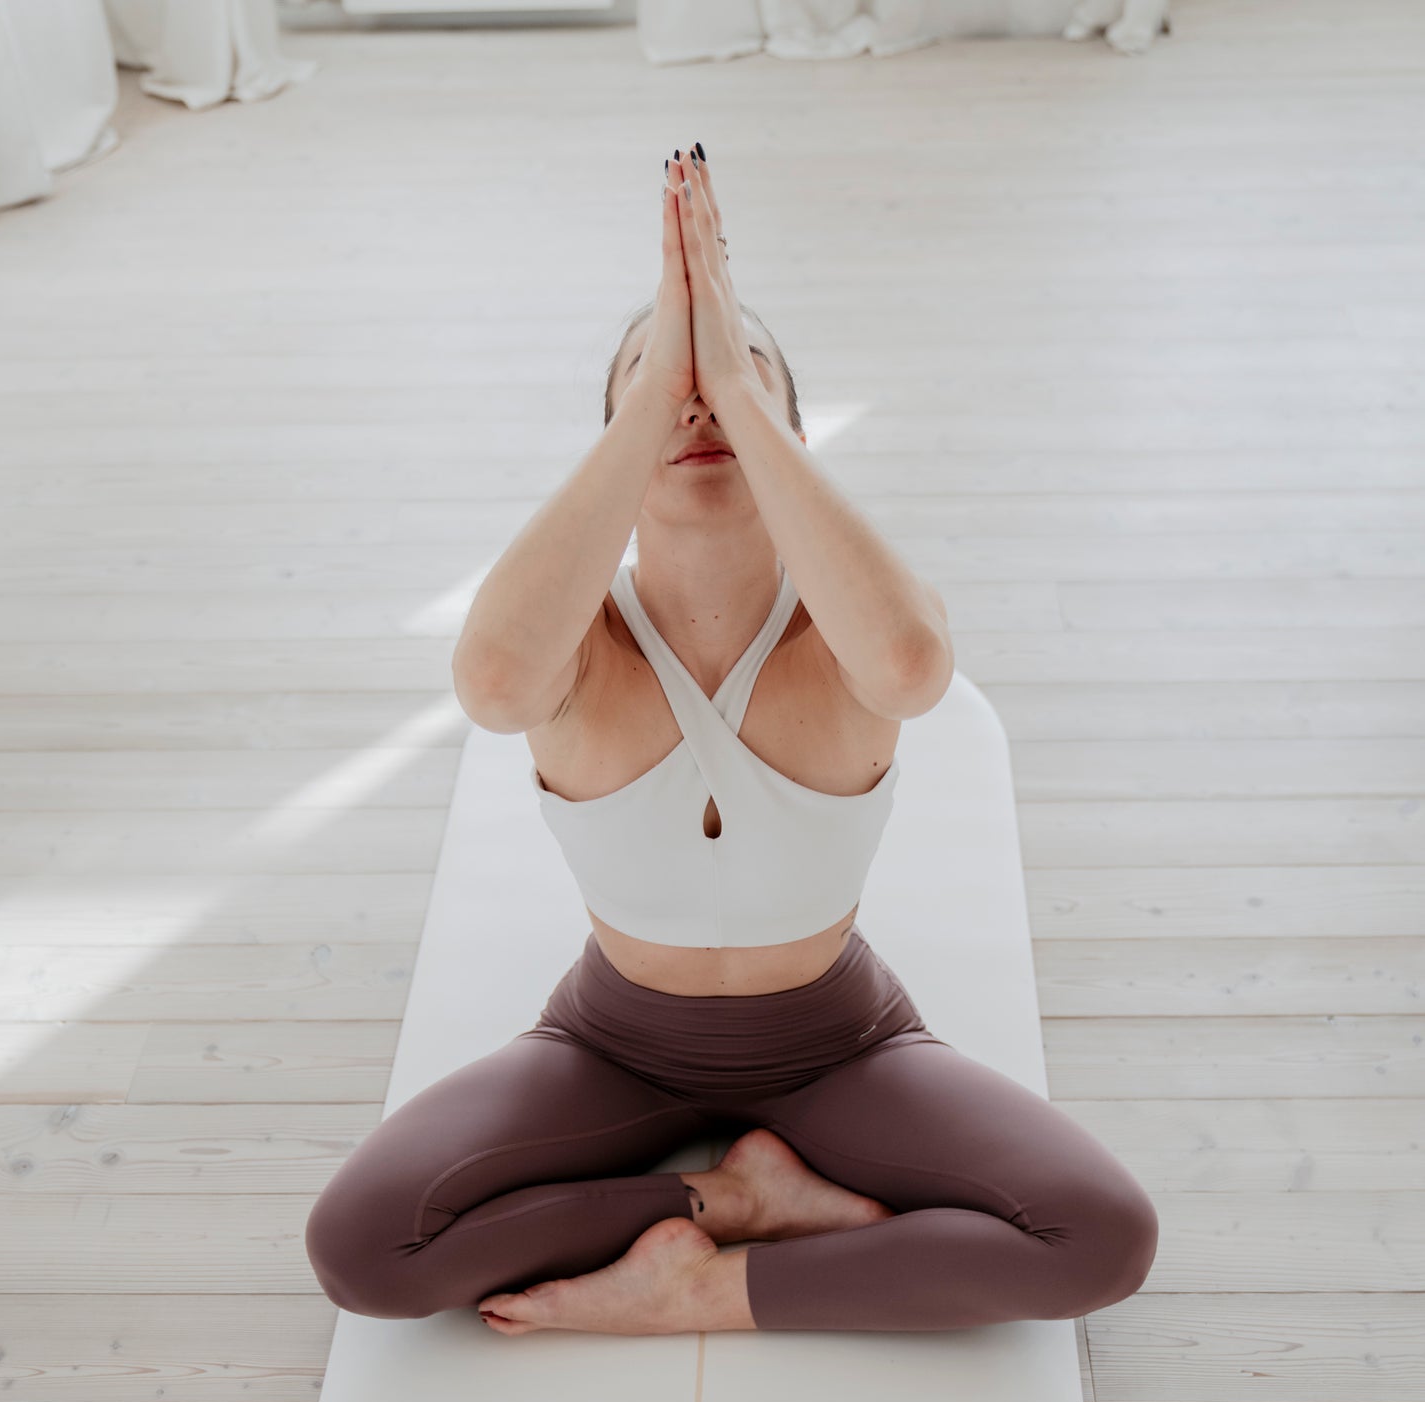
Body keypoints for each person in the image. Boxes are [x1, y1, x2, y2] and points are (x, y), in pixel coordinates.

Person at [304, 144, 1159, 1337]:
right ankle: (731, 1199)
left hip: (837, 1041)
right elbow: (491, 683)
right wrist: (671, 378)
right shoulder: (578, 640)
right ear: (614, 435)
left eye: (737, 378)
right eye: (659, 381)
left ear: (788, 429)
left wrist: (738, 400)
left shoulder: (849, 630)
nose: (698, 396)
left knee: (1100, 1236)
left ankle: (711, 1287)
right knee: (364, 1252)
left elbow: (914, 670)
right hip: (613, 1040)